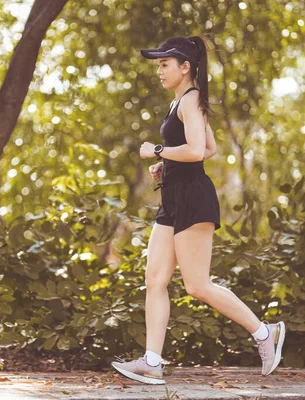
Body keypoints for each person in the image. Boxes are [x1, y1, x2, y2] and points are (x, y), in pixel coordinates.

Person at [111, 36, 285, 385]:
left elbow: (195, 150)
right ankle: (152, 361)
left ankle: (266, 333)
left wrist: (159, 150)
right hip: (173, 195)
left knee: (197, 285)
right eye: (158, 64)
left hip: (193, 197)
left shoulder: (191, 101)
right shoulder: (181, 101)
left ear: (185, 67)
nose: (159, 70)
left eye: (164, 64)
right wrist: (167, 165)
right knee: (155, 279)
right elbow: (210, 148)